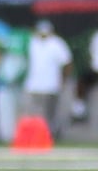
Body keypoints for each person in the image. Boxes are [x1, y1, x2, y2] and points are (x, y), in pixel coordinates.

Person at [13, 16, 70, 144]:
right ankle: (32, 139)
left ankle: (49, 138)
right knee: (31, 116)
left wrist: (63, 80)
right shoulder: (31, 42)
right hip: (32, 86)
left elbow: (67, 63)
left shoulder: (57, 43)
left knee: (49, 117)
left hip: (51, 86)